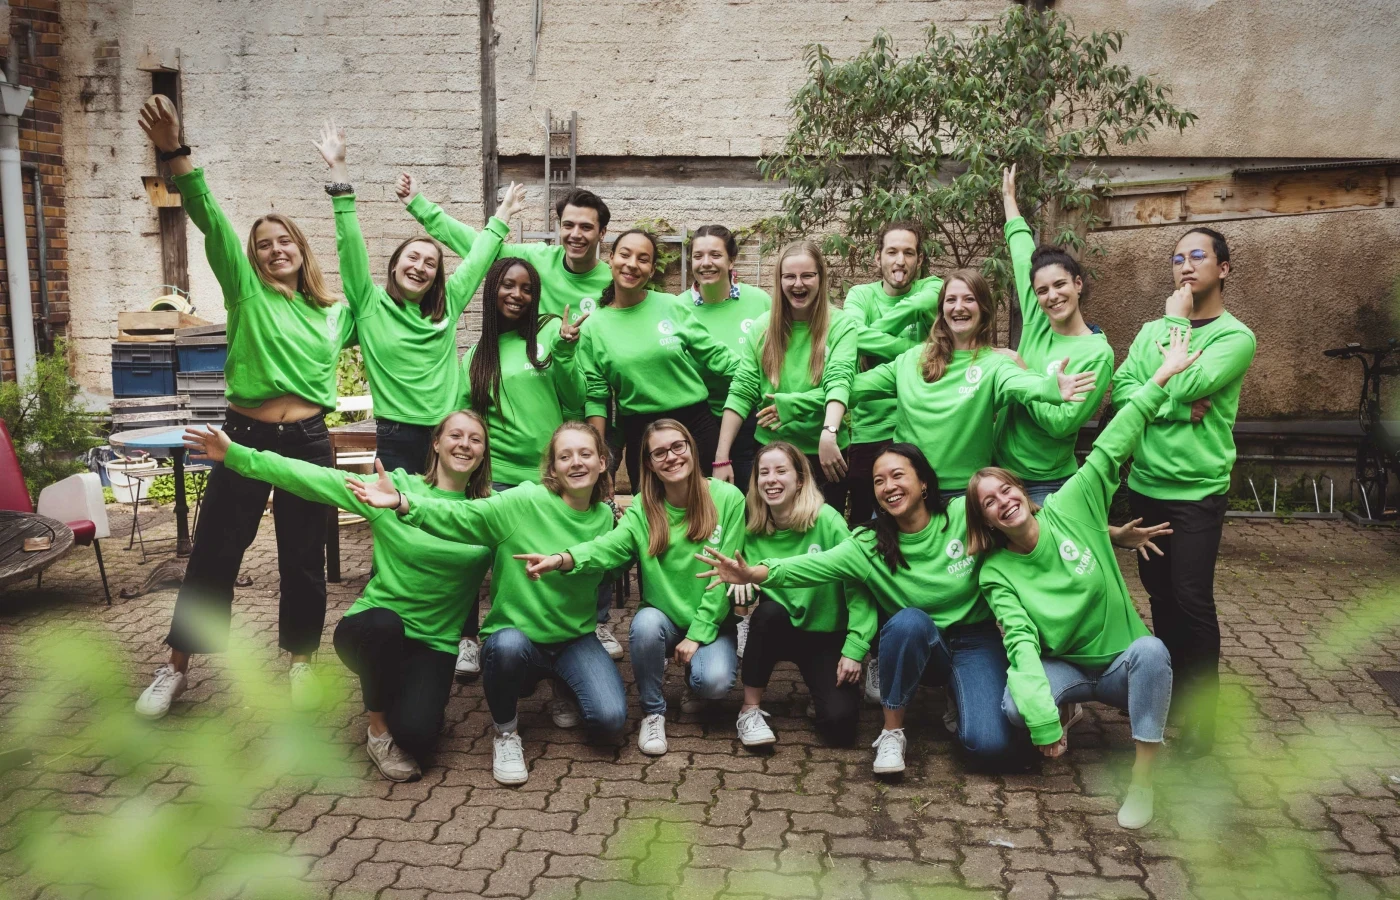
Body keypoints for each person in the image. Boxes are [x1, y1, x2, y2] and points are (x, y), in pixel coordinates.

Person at [134, 95, 356, 720]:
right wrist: (176, 152)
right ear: (253, 257)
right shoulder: (246, 292)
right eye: (264, 244)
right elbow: (210, 219)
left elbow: (382, 305)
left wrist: (342, 181)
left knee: (304, 560)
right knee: (215, 555)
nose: (274, 249)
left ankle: (300, 662)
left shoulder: (333, 314)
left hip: (308, 443)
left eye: (284, 241)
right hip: (242, 439)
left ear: (302, 249)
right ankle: (175, 667)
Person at [968, 325, 1201, 829]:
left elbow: (1112, 446)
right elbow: (1020, 644)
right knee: (1016, 709)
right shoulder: (996, 571)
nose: (1003, 502)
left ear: (1022, 491)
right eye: (989, 503)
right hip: (1066, 668)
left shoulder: (1070, 506)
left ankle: (1142, 780)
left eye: (1006, 490)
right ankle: (1066, 711)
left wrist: (1161, 378)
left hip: (1119, 664)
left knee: (1153, 652)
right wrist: (1044, 724)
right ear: (985, 521)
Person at [183, 412, 494, 782]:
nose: (464, 445)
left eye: (475, 439)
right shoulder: (391, 487)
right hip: (373, 627)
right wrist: (237, 455)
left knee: (417, 737)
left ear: (484, 452)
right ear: (436, 443)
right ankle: (377, 731)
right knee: (384, 626)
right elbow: (314, 478)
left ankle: (396, 688)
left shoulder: (491, 512)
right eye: (456, 435)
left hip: (435, 643)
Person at [698, 444, 1025, 776]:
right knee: (907, 621)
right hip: (920, 643)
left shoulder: (960, 514)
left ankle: (961, 693)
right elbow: (810, 566)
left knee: (990, 747)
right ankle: (892, 732)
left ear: (924, 481)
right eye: (879, 481)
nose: (889, 486)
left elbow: (1007, 517)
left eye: (898, 475)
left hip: (975, 640)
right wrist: (754, 573)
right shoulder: (868, 544)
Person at [347, 422, 626, 787]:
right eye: (565, 456)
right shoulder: (523, 501)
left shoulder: (606, 518)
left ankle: (563, 684)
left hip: (574, 638)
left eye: (585, 454)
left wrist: (569, 558)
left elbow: (616, 559)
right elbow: (463, 516)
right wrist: (404, 502)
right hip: (517, 638)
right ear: (553, 468)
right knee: (505, 648)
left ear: (602, 463)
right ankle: (506, 733)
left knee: (610, 722)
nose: (576, 462)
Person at [520, 420, 746, 757]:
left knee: (712, 684)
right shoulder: (644, 506)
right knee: (645, 625)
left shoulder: (728, 498)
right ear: (649, 464)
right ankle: (653, 712)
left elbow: (723, 579)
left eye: (678, 446)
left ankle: (693, 681)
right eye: (659, 453)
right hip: (663, 619)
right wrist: (563, 558)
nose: (671, 457)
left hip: (711, 622)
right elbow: (609, 546)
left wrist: (698, 634)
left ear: (691, 448)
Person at [314, 121, 528, 474]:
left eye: (430, 263)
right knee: (397, 509)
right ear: (394, 265)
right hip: (395, 435)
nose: (420, 267)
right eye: (412, 257)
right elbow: (349, 245)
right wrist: (339, 171)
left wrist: (503, 214)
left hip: (448, 433)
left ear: (436, 277)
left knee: (447, 508)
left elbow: (478, 261)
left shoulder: (448, 305)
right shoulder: (370, 304)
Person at [1112, 238, 1257, 758]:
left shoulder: (1235, 337)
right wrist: (1173, 406)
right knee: (1161, 595)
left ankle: (1202, 718)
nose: (1186, 266)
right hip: (1147, 483)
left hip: (1197, 490)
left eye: (1198, 257)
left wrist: (1174, 334)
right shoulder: (1150, 331)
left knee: (1192, 598)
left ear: (1224, 268)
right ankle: (1168, 697)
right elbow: (1122, 392)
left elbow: (1186, 380)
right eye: (1177, 258)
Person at [454, 261, 594, 675]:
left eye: (527, 288)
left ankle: (565, 642)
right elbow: (466, 418)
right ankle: (468, 638)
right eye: (508, 285)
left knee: (556, 560)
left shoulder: (550, 333)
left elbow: (576, 399)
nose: (517, 294)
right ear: (492, 290)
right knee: (473, 556)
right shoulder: (476, 356)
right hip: (496, 479)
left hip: (549, 478)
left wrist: (565, 351)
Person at [852, 270, 1098, 497]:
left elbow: (1022, 383)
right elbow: (856, 388)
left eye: (969, 299)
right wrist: (832, 390)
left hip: (965, 496)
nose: (958, 307)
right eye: (951, 300)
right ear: (942, 309)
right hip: (908, 492)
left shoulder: (994, 364)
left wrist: (1051, 386)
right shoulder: (913, 358)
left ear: (983, 309)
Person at [725, 443, 866, 749]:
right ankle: (749, 709)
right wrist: (739, 591)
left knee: (840, 728)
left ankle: (820, 693)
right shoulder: (751, 527)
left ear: (800, 480)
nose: (771, 479)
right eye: (763, 473)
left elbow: (858, 586)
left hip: (826, 634)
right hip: (780, 628)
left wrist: (855, 647)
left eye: (781, 471)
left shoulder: (827, 520)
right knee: (767, 614)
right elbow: (735, 574)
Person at [579, 230, 740, 490]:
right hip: (642, 433)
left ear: (652, 270)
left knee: (708, 507)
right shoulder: (593, 327)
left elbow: (716, 356)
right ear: (611, 259)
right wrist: (598, 456)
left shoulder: (671, 306)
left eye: (643, 259)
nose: (632, 264)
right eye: (625, 255)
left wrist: (764, 378)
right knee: (650, 510)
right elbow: (596, 398)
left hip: (695, 427)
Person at [994, 166, 1115, 504]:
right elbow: (1022, 255)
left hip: (1045, 482)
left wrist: (1022, 374)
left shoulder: (1096, 354)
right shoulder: (1038, 318)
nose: (1052, 296)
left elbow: (1062, 424)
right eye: (1042, 290)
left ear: (1078, 285)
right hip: (1000, 469)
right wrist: (1009, 201)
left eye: (1060, 285)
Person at [716, 241, 858, 509]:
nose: (798, 284)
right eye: (789, 276)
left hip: (825, 453)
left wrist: (829, 432)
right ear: (779, 280)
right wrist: (721, 457)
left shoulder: (841, 326)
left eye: (807, 275)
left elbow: (839, 382)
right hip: (772, 455)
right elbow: (742, 390)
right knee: (771, 527)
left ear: (820, 278)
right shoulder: (762, 327)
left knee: (824, 529)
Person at [842, 222, 945, 523]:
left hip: (918, 428)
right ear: (878, 257)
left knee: (920, 521)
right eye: (892, 252)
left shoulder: (932, 288)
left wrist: (869, 337)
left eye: (908, 253)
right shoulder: (861, 295)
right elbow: (850, 336)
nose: (900, 261)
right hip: (870, 430)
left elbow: (857, 335)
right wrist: (914, 351)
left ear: (920, 259)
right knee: (864, 525)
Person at [398, 176, 613, 318]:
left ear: (601, 233)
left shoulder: (612, 282)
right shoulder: (539, 259)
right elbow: (481, 247)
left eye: (586, 227)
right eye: (568, 225)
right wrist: (419, 205)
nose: (575, 235)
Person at [684, 225, 773, 492]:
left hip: (753, 419)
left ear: (731, 260)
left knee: (751, 497)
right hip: (699, 421)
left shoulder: (759, 302)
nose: (706, 263)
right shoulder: (677, 308)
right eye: (698, 256)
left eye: (715, 255)